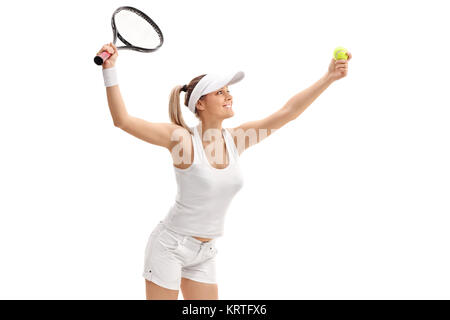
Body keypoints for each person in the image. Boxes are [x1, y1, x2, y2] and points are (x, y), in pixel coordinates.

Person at [97, 42, 352, 300]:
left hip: (205, 252)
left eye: (228, 91)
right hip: (170, 246)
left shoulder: (238, 139)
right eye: (220, 92)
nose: (229, 96)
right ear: (201, 104)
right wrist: (110, 70)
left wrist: (328, 77)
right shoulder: (181, 140)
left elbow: (288, 112)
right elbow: (123, 120)